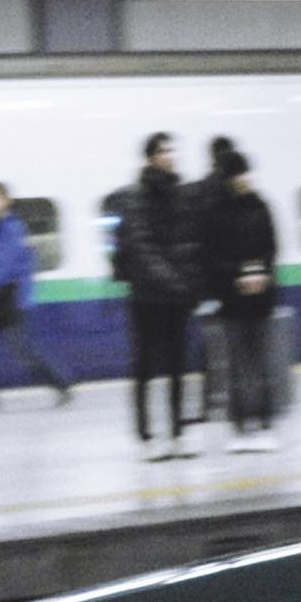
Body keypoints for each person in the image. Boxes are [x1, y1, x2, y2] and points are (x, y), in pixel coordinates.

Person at [199, 136, 284, 451]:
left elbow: (271, 247)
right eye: (238, 174)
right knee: (236, 364)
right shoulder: (215, 213)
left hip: (260, 298)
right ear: (229, 178)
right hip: (232, 300)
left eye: (246, 173)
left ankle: (264, 422)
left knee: (261, 362)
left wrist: (262, 273)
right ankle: (239, 426)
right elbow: (211, 256)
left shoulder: (261, 207)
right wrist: (238, 276)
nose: (244, 179)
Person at [116, 132, 196, 458]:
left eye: (171, 150)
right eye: (163, 151)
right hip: (146, 297)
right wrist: (172, 279)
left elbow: (188, 241)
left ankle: (177, 435)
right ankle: (146, 437)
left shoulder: (179, 192)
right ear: (150, 157)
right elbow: (141, 245)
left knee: (178, 365)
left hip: (175, 296)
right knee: (145, 366)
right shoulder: (136, 196)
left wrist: (189, 282)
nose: (169, 156)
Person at [0, 182, 72, 413]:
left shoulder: (11, 228)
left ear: (6, 201)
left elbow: (4, 265)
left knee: (24, 352)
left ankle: (62, 383)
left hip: (11, 298)